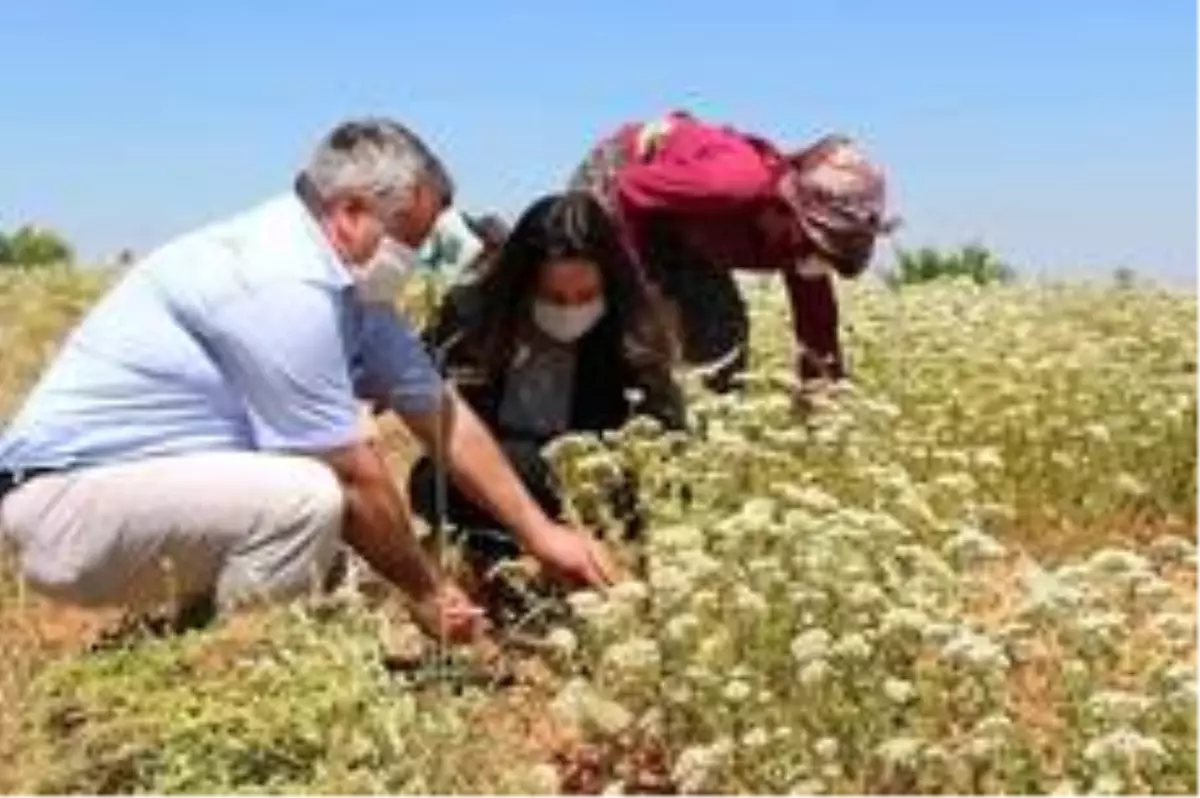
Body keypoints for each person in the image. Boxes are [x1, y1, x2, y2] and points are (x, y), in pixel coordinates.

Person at [0, 117, 614, 643]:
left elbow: (438, 414)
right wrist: (428, 595)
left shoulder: (355, 296)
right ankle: (233, 675)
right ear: (349, 212)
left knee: (328, 538)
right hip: (63, 505)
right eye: (411, 242)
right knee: (310, 500)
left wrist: (541, 534)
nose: (418, 262)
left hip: (133, 494)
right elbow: (351, 475)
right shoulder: (283, 280)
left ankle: (193, 644)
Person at [408, 191, 684, 569]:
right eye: (553, 296)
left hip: (589, 476)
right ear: (522, 283)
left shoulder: (631, 328)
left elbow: (667, 440)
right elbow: (413, 387)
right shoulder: (470, 317)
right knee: (434, 481)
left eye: (586, 295)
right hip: (492, 474)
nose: (570, 309)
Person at [567, 109, 895, 394]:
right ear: (787, 208)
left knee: (722, 335)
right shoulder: (732, 186)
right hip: (627, 182)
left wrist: (823, 399)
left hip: (686, 226)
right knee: (626, 330)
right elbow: (631, 190)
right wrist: (638, 296)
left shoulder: (800, 244)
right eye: (816, 245)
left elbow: (817, 326)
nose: (813, 259)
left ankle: (701, 430)